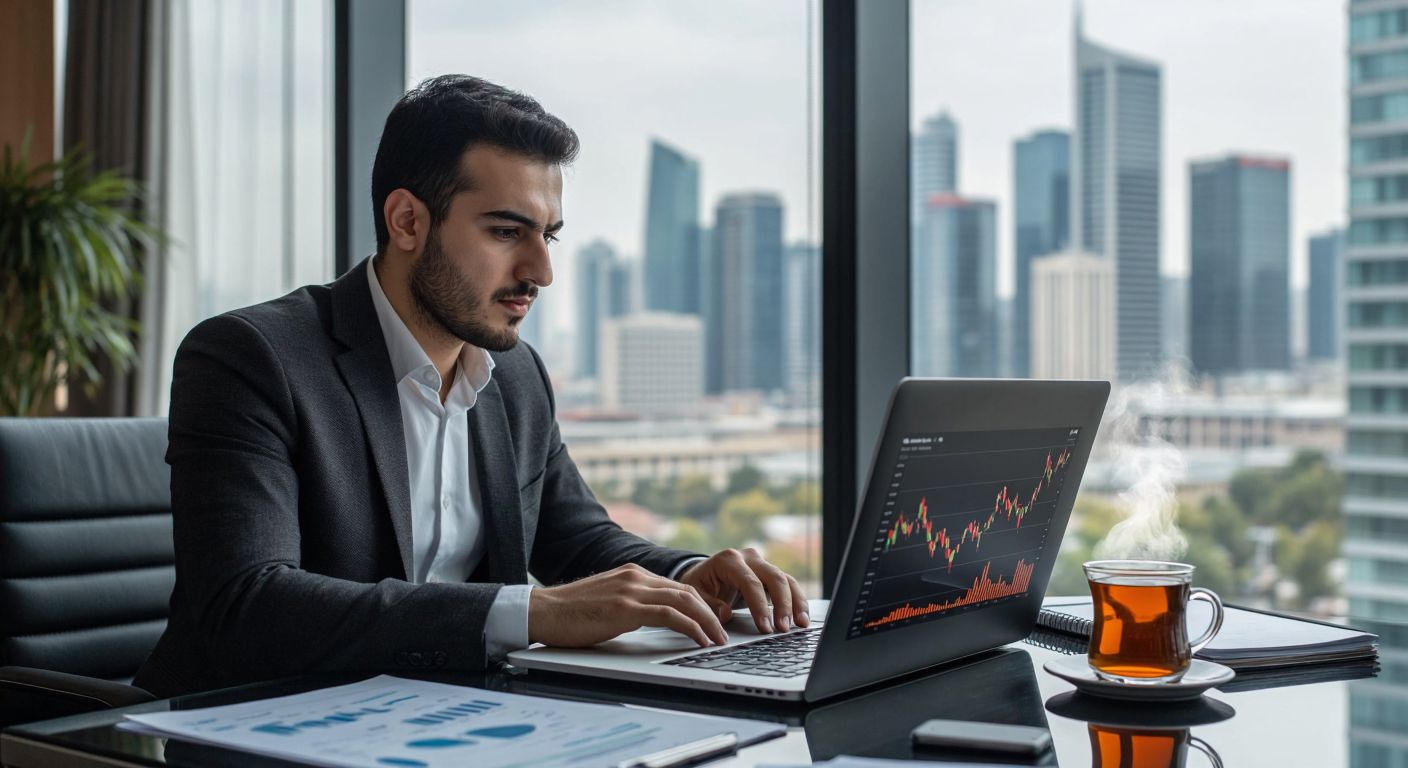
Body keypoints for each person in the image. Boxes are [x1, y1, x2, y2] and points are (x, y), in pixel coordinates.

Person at [133, 75, 809, 698]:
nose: (540, 270)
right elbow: (249, 607)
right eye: (506, 231)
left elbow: (579, 542)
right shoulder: (252, 358)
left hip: (441, 719)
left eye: (548, 235)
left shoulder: (513, 374)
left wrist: (691, 575)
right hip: (245, 724)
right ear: (407, 222)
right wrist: (526, 612)